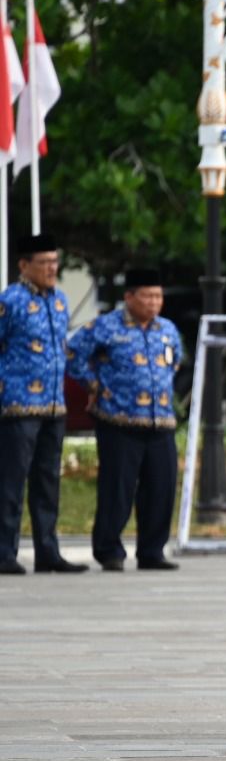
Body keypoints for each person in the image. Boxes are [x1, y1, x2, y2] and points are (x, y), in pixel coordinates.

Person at [65, 268, 184, 572]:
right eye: (147, 296)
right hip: (118, 420)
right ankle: (109, 550)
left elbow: (176, 361)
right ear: (129, 297)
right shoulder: (105, 327)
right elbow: (73, 354)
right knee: (117, 489)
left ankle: (152, 551)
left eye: (158, 296)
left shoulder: (167, 329)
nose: (154, 302)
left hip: (160, 422)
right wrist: (93, 385)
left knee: (161, 488)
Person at [0, 232, 87, 575]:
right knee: (11, 481)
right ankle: (4, 552)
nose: (52, 268)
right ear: (24, 265)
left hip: (54, 405)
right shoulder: (11, 301)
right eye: (45, 263)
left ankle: (47, 551)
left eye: (55, 262)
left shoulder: (60, 301)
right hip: (19, 405)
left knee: (48, 481)